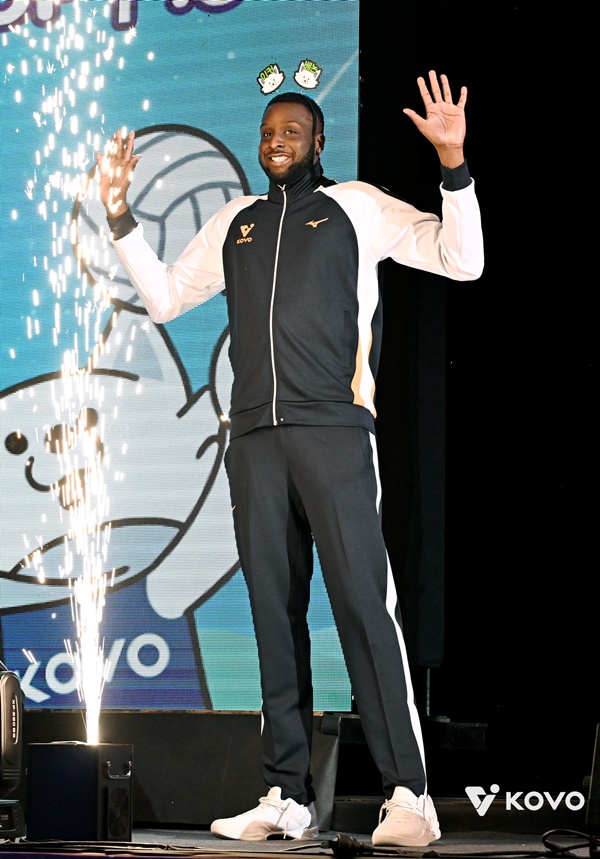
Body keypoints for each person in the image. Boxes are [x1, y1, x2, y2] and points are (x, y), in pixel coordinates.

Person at [96, 70, 484, 848]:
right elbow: (166, 297)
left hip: (334, 431)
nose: (278, 140)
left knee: (364, 607)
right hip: (254, 439)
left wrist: (454, 165)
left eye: (293, 130)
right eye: (269, 131)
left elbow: (461, 259)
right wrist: (118, 215)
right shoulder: (235, 221)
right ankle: (286, 794)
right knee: (274, 614)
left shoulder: (357, 207)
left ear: (318, 141)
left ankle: (410, 795)